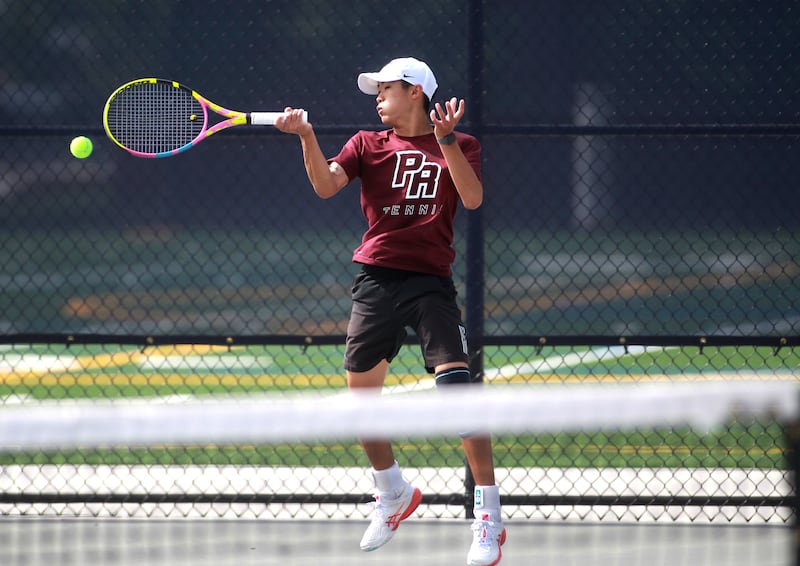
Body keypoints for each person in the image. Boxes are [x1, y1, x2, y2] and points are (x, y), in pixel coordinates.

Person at [275, 56, 506, 566]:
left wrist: (446, 141)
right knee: (362, 403)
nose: (377, 98)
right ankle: (393, 491)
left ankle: (488, 514)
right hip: (376, 279)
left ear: (416, 92)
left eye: (386, 90)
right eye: (375, 91)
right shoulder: (366, 143)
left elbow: (471, 199)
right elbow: (326, 185)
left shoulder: (460, 144)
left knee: (459, 396)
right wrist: (306, 137)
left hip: (430, 284)